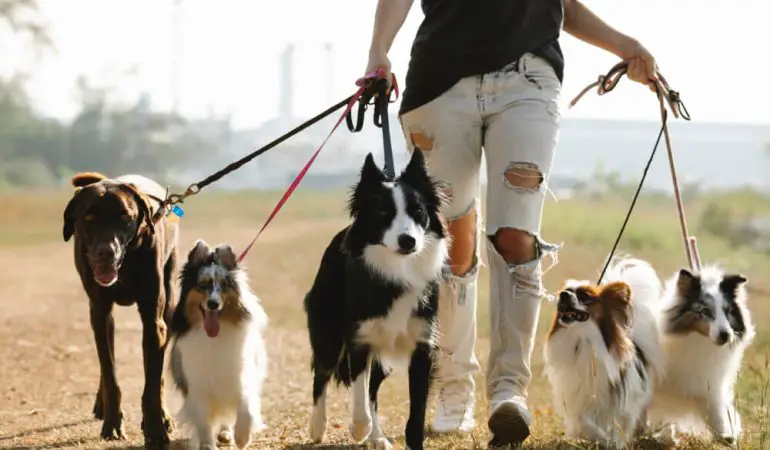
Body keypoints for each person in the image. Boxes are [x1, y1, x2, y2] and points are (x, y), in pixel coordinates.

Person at [364, 0, 659, 447]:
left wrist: (627, 46)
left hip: (529, 80)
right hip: (440, 83)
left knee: (517, 236)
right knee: (452, 242)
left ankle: (509, 390)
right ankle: (454, 387)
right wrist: (378, 51)